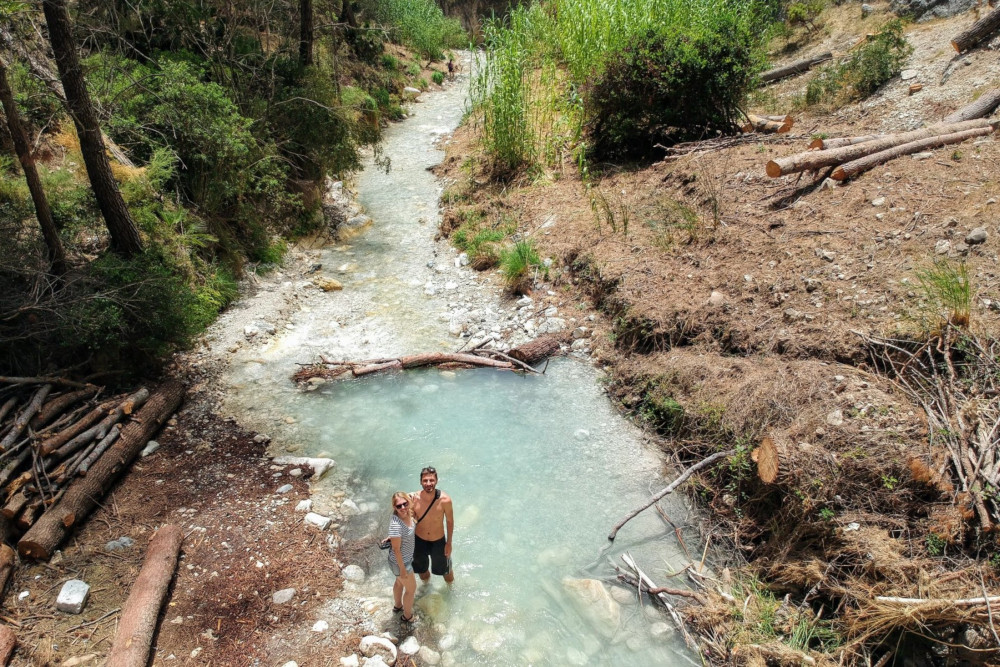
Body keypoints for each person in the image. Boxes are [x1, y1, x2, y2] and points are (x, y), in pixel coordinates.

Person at [410, 466, 454, 583]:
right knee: (422, 570)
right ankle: (426, 588)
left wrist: (449, 543)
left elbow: (450, 521)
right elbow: (399, 508)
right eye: (425, 480)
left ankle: (451, 591)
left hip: (438, 541)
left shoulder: (445, 500)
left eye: (431, 480)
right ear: (420, 482)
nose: (428, 483)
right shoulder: (413, 499)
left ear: (436, 481)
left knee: (446, 571)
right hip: (419, 540)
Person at [387, 491, 417, 622]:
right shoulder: (396, 525)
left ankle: (397, 606)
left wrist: (392, 537)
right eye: (399, 506)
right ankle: (407, 616)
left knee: (399, 582)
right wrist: (403, 569)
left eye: (405, 504)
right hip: (401, 562)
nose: (403, 508)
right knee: (411, 589)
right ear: (394, 507)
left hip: (400, 561)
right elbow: (396, 549)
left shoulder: (407, 514)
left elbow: (413, 495)